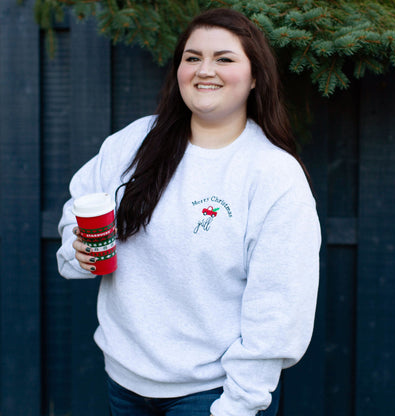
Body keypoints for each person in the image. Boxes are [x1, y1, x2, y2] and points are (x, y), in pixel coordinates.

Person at [57, 8, 321, 416]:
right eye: (192, 57)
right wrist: (79, 250)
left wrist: (236, 406)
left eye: (225, 58)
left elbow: (279, 311)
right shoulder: (134, 142)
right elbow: (79, 208)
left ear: (254, 78)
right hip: (124, 382)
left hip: (213, 395)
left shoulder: (273, 174)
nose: (205, 70)